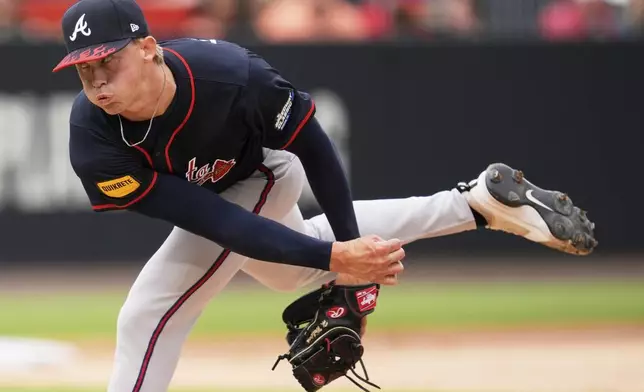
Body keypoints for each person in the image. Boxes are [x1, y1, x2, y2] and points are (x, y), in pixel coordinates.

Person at [52, 0, 597, 391]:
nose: (97, 82)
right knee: (296, 268)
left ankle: (463, 210)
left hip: (266, 172)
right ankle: (477, 204)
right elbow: (213, 221)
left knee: (147, 314)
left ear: (148, 48)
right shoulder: (94, 142)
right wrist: (338, 257)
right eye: (83, 69)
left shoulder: (231, 76)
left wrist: (349, 252)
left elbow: (313, 145)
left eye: (108, 62)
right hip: (222, 203)